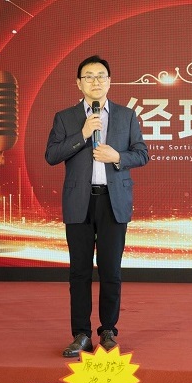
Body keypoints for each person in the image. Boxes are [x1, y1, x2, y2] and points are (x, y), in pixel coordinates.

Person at [45, 55, 149, 357]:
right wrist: (82, 135)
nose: (95, 81)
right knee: (79, 272)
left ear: (109, 81)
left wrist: (117, 157)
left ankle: (108, 331)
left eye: (101, 76)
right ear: (78, 83)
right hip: (79, 202)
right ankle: (81, 334)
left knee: (110, 270)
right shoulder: (65, 117)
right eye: (88, 76)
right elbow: (52, 155)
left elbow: (142, 154)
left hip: (113, 202)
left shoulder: (126, 116)